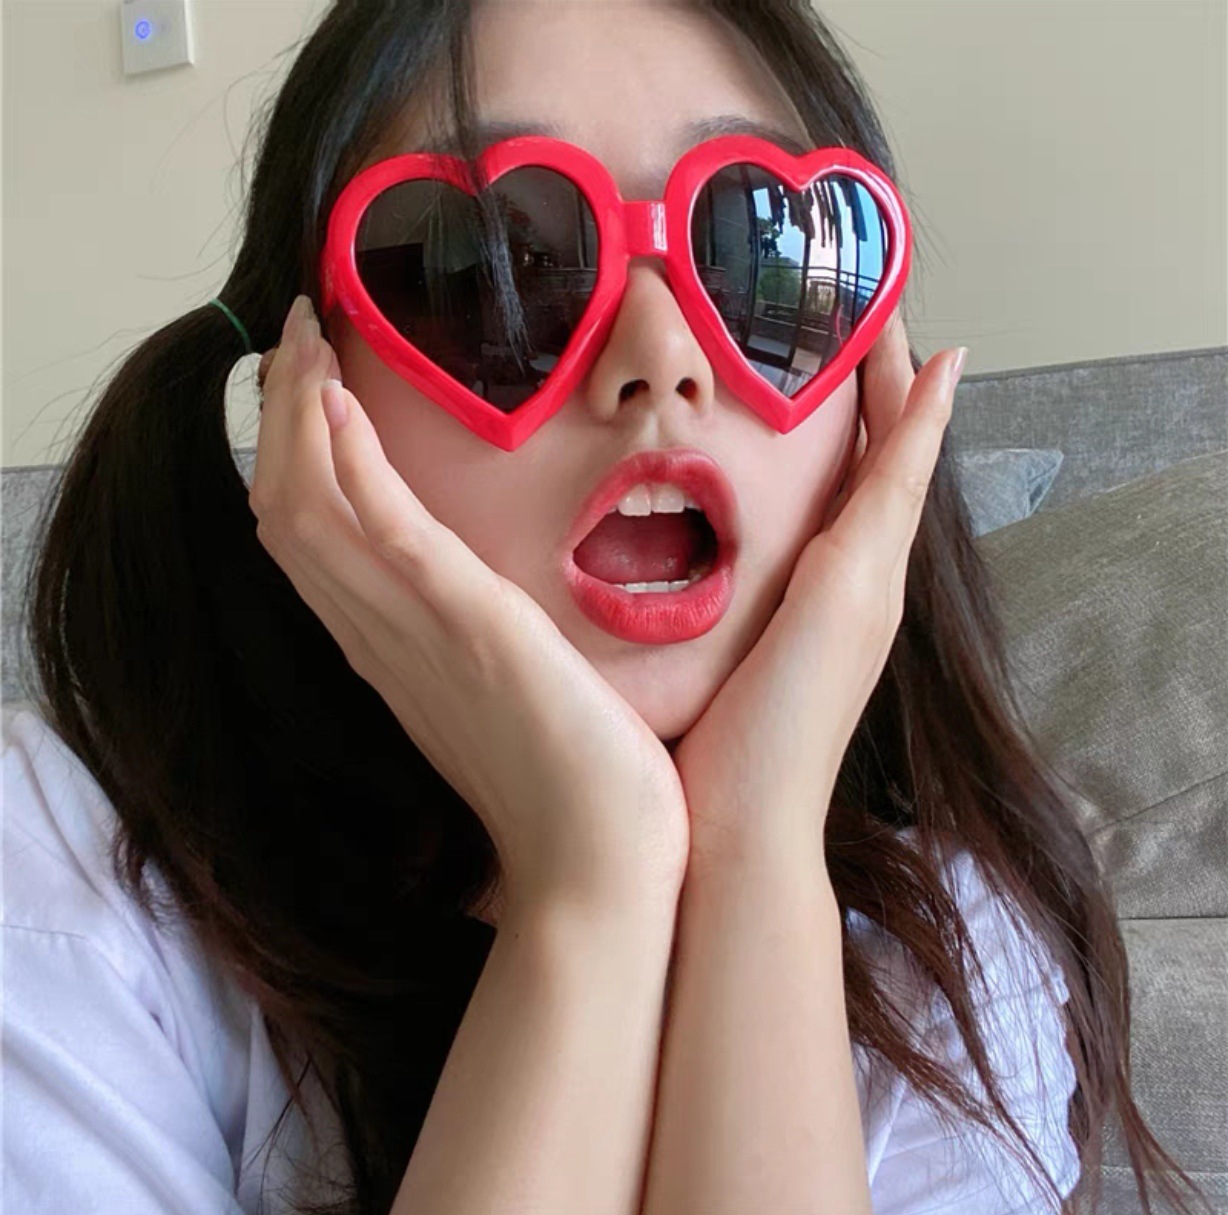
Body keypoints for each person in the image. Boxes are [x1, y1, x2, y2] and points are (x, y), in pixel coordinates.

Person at [1, 2, 1205, 1214]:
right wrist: (591, 885)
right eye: (500, 272)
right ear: (304, 388)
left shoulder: (956, 964)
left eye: (752, 246)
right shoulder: (61, 878)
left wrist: (755, 851)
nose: (663, 356)